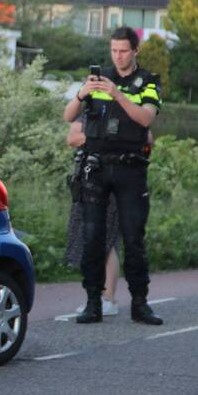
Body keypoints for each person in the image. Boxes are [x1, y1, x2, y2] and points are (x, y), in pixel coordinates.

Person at [63, 26, 163, 325]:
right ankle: (93, 302)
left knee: (133, 238)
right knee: (93, 237)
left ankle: (140, 304)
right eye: (114, 50)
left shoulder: (147, 81)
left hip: (130, 169)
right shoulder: (98, 79)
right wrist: (82, 93)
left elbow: (145, 118)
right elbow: (68, 116)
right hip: (96, 168)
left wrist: (117, 94)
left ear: (135, 51)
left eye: (123, 51)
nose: (118, 56)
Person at [64, 119, 122, 316]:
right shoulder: (89, 110)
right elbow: (72, 136)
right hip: (88, 179)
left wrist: (94, 141)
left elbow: (137, 138)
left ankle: (108, 298)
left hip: (112, 178)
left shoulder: (119, 111)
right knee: (93, 238)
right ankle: (97, 297)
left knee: (108, 239)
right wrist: (102, 141)